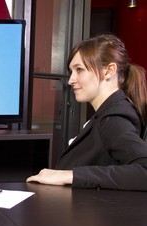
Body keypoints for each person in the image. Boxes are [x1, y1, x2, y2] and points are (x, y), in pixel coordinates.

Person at [27, 34, 147, 191]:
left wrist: (69, 175)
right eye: (71, 71)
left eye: (79, 70)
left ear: (109, 71)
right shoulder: (106, 114)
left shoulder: (114, 119)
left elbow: (144, 171)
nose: (71, 80)